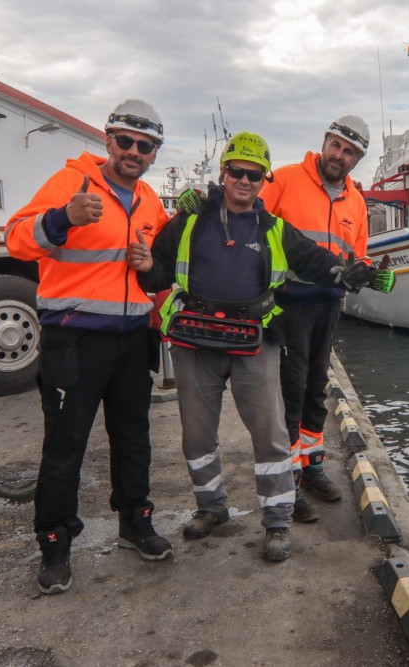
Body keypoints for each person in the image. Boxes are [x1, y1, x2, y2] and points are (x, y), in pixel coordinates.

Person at [135, 131, 371, 562]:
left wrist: (353, 273)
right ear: (223, 173)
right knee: (197, 436)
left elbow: (317, 261)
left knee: (272, 437)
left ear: (264, 181)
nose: (245, 181)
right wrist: (147, 265)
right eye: (237, 172)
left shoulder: (275, 229)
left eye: (254, 175)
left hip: (252, 341)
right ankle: (211, 508)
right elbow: (156, 275)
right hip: (194, 342)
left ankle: (278, 522)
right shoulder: (188, 222)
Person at [6, 99, 172, 595]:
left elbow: (161, 271)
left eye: (145, 146)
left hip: (130, 340)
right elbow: (16, 238)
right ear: (108, 140)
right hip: (73, 341)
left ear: (154, 153)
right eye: (125, 141)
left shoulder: (150, 203)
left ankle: (135, 522)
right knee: (65, 445)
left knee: (133, 437)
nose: (133, 152)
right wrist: (63, 217)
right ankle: (55, 544)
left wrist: (151, 271)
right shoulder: (71, 184)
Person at [258, 115, 379, 522]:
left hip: (329, 306)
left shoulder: (356, 202)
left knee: (315, 389)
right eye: (336, 147)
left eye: (350, 153)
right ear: (324, 142)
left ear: (357, 159)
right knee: (289, 390)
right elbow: (252, 226)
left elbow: (358, 253)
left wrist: (362, 270)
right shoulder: (285, 180)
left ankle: (311, 465)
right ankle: (287, 479)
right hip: (289, 304)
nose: (340, 157)